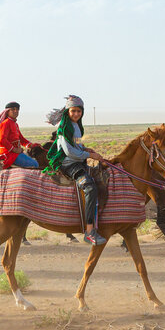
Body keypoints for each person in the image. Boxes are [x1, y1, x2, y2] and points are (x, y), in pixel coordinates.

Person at [45, 95, 105, 246]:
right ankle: (89, 232)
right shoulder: (64, 128)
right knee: (90, 187)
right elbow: (69, 151)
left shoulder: (76, 126)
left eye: (79, 111)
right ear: (67, 111)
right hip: (69, 164)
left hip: (78, 160)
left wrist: (85, 149)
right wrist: (90, 155)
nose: (76, 114)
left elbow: (76, 145)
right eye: (73, 111)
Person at [0, 102, 39, 169]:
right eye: (13, 109)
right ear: (7, 111)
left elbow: (21, 139)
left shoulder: (15, 124)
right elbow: (2, 140)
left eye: (17, 109)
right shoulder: (5, 123)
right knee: (35, 164)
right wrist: (14, 149)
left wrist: (31, 145)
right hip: (8, 153)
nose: (16, 111)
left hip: (16, 152)